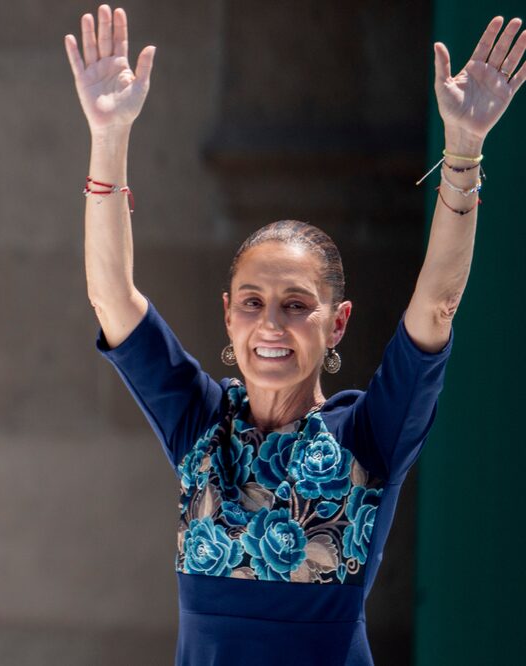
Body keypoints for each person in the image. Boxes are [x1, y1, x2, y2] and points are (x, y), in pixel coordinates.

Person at [65, 5, 523, 665]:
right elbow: (111, 293)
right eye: (252, 302)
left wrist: (464, 151)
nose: (271, 324)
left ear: (337, 323)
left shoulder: (370, 433)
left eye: (296, 304)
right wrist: (108, 134)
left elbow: (439, 302)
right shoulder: (202, 425)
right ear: (228, 315)